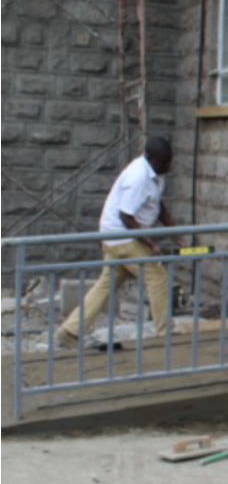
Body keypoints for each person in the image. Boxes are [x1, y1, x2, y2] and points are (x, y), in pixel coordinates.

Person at [55, 137, 180, 349]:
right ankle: (165, 335)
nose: (169, 166)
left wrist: (175, 230)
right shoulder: (138, 177)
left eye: (170, 161)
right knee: (157, 277)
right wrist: (151, 244)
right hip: (121, 235)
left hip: (118, 236)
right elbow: (126, 216)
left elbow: (157, 202)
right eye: (165, 161)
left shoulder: (155, 173)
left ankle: (69, 331)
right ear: (151, 158)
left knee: (106, 284)